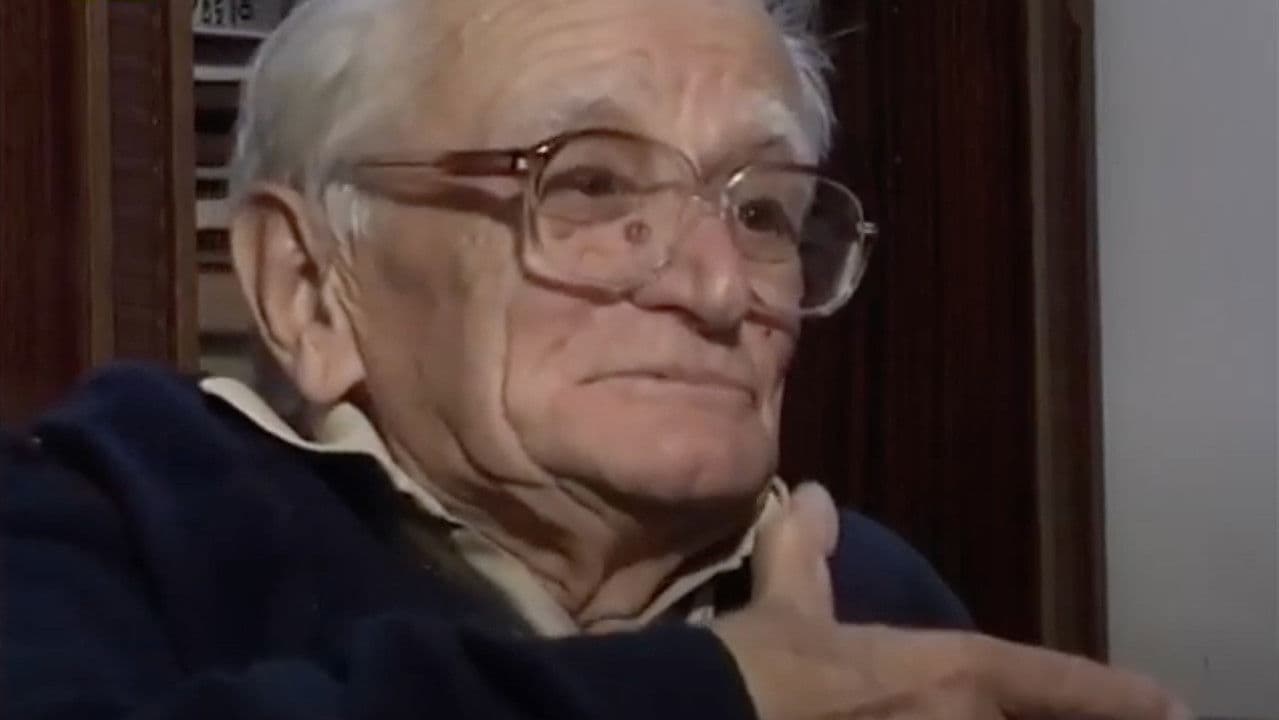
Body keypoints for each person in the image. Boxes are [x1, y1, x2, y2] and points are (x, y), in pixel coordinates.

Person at [1, 0, 1188, 718]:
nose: (717, 289)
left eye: (761, 212)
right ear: (310, 284)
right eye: (586, 186)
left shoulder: (871, 602)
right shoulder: (102, 516)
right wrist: (725, 695)